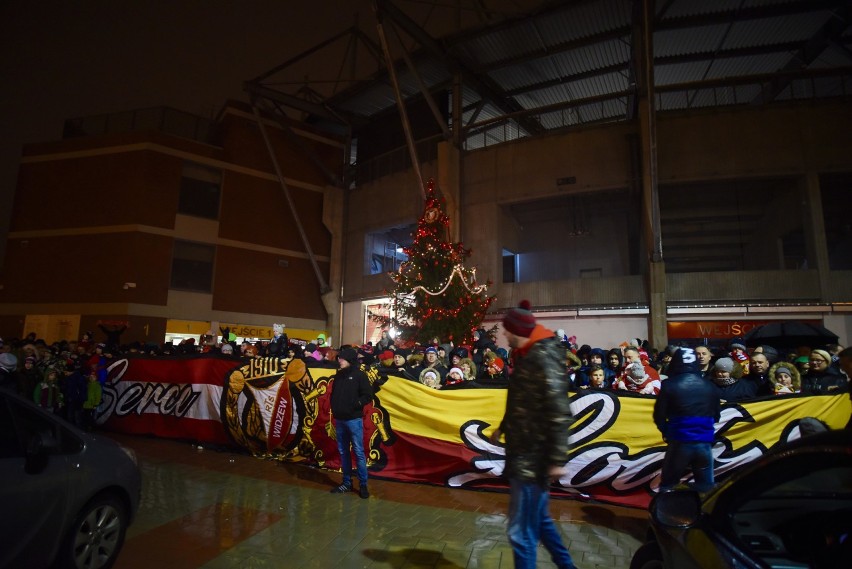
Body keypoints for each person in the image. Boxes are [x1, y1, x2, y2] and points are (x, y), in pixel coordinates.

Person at [490, 300, 578, 569]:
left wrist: (556, 460)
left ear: (518, 331)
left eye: (507, 330)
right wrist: (502, 428)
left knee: (520, 532)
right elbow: (523, 402)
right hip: (525, 453)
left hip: (532, 459)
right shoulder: (528, 355)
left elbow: (559, 411)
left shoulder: (541, 357)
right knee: (539, 521)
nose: (504, 335)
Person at [653, 347, 720, 493]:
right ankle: (704, 514)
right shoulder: (710, 386)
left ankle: (667, 513)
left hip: (679, 442)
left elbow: (659, 416)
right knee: (706, 487)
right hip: (704, 444)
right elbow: (717, 416)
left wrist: (667, 431)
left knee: (669, 486)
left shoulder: (669, 385)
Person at [329, 347, 373, 499]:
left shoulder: (360, 375)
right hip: (340, 419)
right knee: (343, 452)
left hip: (353, 419)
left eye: (341, 358)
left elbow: (368, 395)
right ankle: (347, 482)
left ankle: (363, 485)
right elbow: (334, 394)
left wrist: (356, 404)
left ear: (349, 359)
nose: (339, 360)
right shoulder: (339, 375)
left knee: (359, 452)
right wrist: (335, 408)